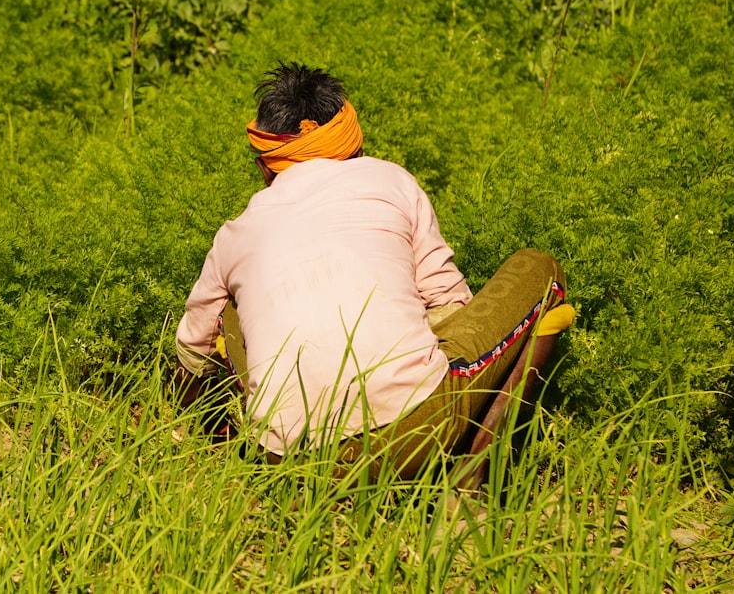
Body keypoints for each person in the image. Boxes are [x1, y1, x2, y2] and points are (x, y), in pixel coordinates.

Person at [173, 62, 573, 484]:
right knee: (541, 268)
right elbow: (450, 301)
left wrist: (198, 432)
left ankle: (241, 455)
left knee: (229, 307)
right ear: (355, 144)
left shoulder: (234, 234)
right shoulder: (390, 179)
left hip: (288, 461)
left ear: (265, 167)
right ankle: (472, 476)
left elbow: (191, 348)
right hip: (415, 434)